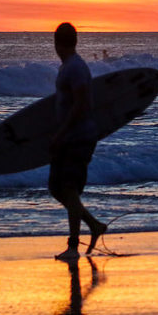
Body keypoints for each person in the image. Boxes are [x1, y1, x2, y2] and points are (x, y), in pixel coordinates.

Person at [48, 22, 107, 261]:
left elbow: (81, 104)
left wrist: (61, 134)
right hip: (71, 135)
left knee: (68, 188)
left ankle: (73, 245)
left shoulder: (75, 68)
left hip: (78, 137)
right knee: (56, 188)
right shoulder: (69, 67)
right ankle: (94, 225)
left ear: (56, 43)